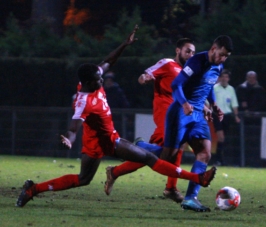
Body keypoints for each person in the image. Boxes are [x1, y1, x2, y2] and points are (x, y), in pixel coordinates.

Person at [15, 26, 216, 208]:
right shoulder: (83, 101)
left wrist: (124, 45)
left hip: (111, 139)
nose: (101, 80)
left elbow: (109, 61)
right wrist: (69, 138)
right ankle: (33, 189)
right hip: (96, 144)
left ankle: (197, 179)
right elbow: (74, 127)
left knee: (149, 157)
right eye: (97, 79)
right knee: (84, 179)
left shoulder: (93, 77)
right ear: (86, 82)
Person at [106, 35, 232, 212]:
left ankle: (189, 197)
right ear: (213, 49)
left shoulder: (216, 66)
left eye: (226, 56)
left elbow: (208, 85)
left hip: (195, 115)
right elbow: (175, 84)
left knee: (204, 153)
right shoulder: (191, 63)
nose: (223, 59)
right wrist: (184, 103)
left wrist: (213, 104)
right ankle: (141, 148)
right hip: (176, 113)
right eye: (221, 54)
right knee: (166, 157)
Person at [104, 38, 196, 203]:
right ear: (178, 50)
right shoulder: (168, 63)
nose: (190, 55)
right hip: (165, 115)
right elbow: (147, 74)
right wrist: (145, 78)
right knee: (169, 150)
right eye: (187, 51)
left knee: (153, 155)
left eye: (193, 52)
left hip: (178, 116)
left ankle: (115, 172)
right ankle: (171, 188)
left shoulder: (187, 72)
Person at [212, 69, 240, 166]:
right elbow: (208, 102)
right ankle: (218, 159)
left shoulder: (231, 89)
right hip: (217, 115)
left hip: (227, 115)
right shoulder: (215, 88)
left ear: (228, 79)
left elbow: (234, 104)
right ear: (220, 78)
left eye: (226, 77)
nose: (224, 79)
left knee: (224, 139)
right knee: (221, 137)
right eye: (222, 77)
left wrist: (236, 116)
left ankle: (220, 159)